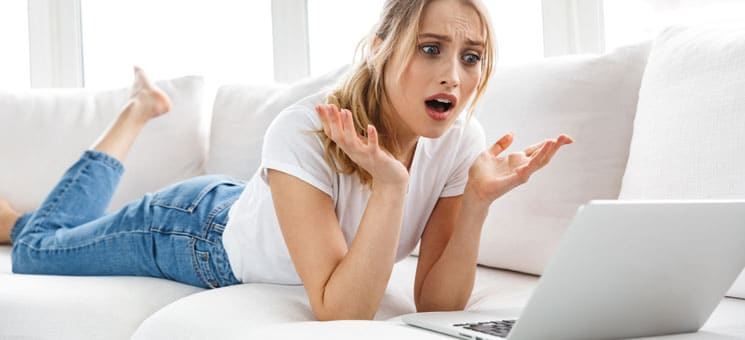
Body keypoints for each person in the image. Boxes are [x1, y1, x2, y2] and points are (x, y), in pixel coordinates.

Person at [0, 0, 573, 321]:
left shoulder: (460, 139)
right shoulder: (304, 126)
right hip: (191, 229)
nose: (454, 73)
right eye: (431, 48)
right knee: (35, 250)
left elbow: (438, 303)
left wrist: (474, 203)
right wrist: (391, 189)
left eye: (471, 57)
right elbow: (341, 310)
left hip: (254, 203)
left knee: (42, 237)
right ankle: (134, 113)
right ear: (379, 49)